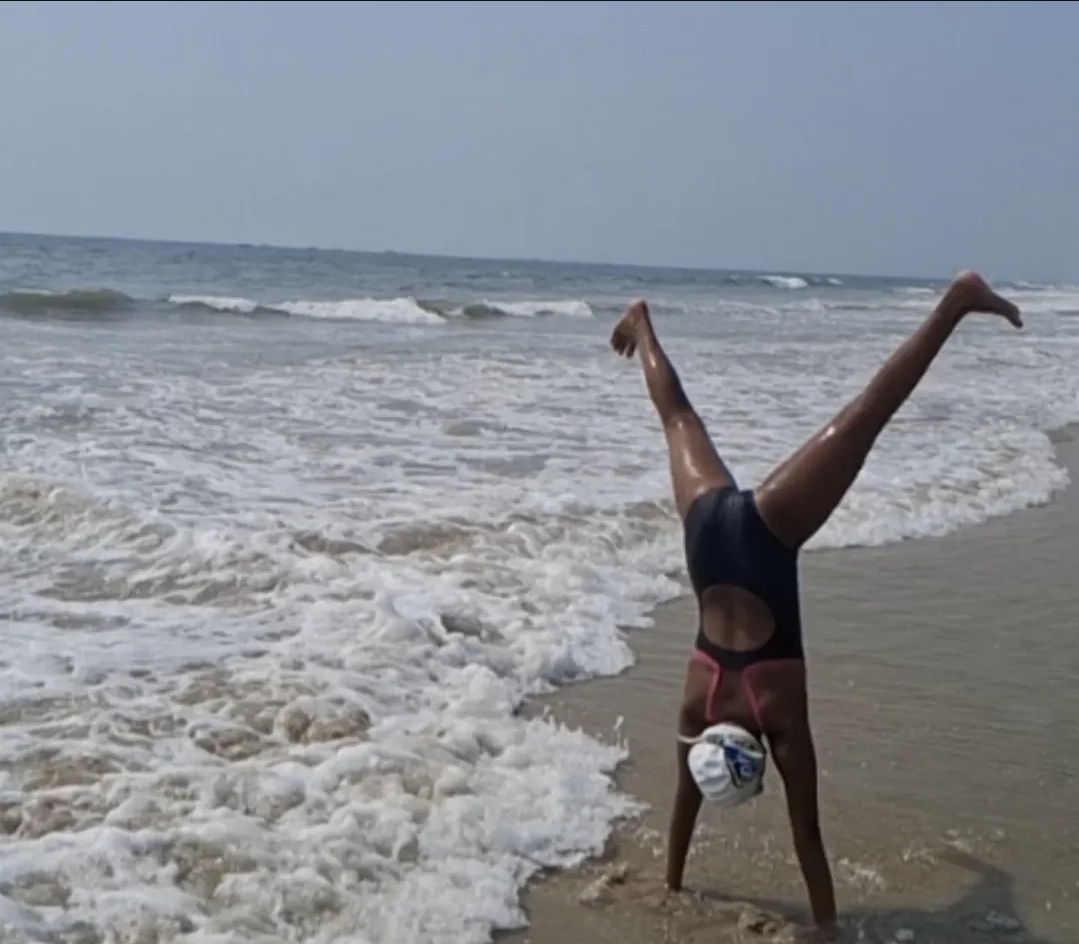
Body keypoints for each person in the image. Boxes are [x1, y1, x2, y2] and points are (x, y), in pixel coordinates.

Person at [609, 271, 1022, 937]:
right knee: (679, 420)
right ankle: (642, 326)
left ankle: (956, 302)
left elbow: (807, 836)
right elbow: (683, 805)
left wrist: (825, 930)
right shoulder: (694, 705)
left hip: (768, 533)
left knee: (867, 414)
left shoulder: (779, 720)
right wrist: (669, 881)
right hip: (708, 528)